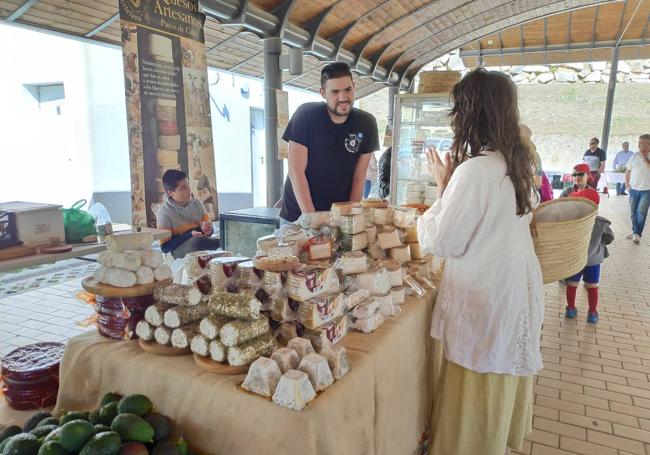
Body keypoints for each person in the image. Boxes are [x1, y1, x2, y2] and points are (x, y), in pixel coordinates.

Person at [417, 68, 543, 455]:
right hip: (513, 290)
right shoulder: (516, 163)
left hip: (487, 297)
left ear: (471, 114)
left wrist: (442, 187)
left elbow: (442, 240)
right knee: (498, 378)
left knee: (477, 382)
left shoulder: (475, 171)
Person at [279, 62, 380, 222]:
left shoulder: (367, 123)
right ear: (323, 93)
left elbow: (359, 176)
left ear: (354, 86)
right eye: (334, 92)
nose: (343, 98)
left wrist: (350, 218)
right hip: (299, 215)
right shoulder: (306, 115)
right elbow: (296, 171)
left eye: (348, 89)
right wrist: (313, 221)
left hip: (337, 216)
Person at [563, 187, 614, 324]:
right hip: (593, 261)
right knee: (592, 286)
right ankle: (592, 313)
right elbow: (610, 238)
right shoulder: (601, 223)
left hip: (576, 260)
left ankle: (571, 309)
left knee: (572, 285)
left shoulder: (573, 222)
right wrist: (600, 243)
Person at [156, 169, 220, 259]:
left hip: (199, 242)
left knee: (226, 240)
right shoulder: (164, 212)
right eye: (183, 188)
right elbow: (165, 247)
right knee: (197, 242)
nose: (189, 190)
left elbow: (209, 230)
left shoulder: (197, 203)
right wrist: (189, 235)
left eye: (188, 185)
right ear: (170, 193)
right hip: (177, 250)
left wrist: (208, 230)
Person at [625, 134, 650, 244]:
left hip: (647, 190)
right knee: (633, 213)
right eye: (639, 143)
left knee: (641, 212)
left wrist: (644, 157)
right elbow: (628, 171)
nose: (640, 145)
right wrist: (627, 185)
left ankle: (637, 234)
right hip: (633, 189)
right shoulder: (634, 156)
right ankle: (635, 232)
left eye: (642, 143)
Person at [521, 124, 552, 202]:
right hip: (530, 194)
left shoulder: (510, 154)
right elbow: (538, 182)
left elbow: (538, 182)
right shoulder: (535, 156)